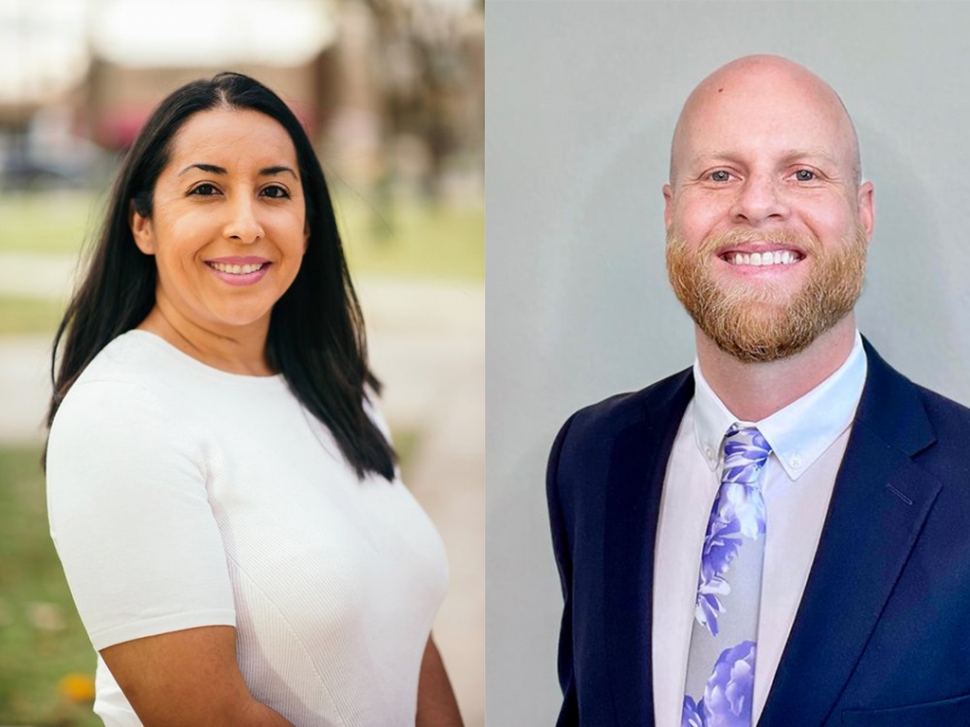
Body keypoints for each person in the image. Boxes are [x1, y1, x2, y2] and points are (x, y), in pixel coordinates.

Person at [547, 55, 970, 727]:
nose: (757, 203)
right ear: (670, 212)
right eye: (720, 175)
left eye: (802, 173)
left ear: (863, 212)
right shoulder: (591, 457)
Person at [45, 72, 463, 727]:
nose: (245, 224)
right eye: (206, 189)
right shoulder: (120, 415)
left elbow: (408, 633)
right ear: (143, 224)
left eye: (273, 190)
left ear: (307, 220)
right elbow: (211, 715)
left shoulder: (334, 385)